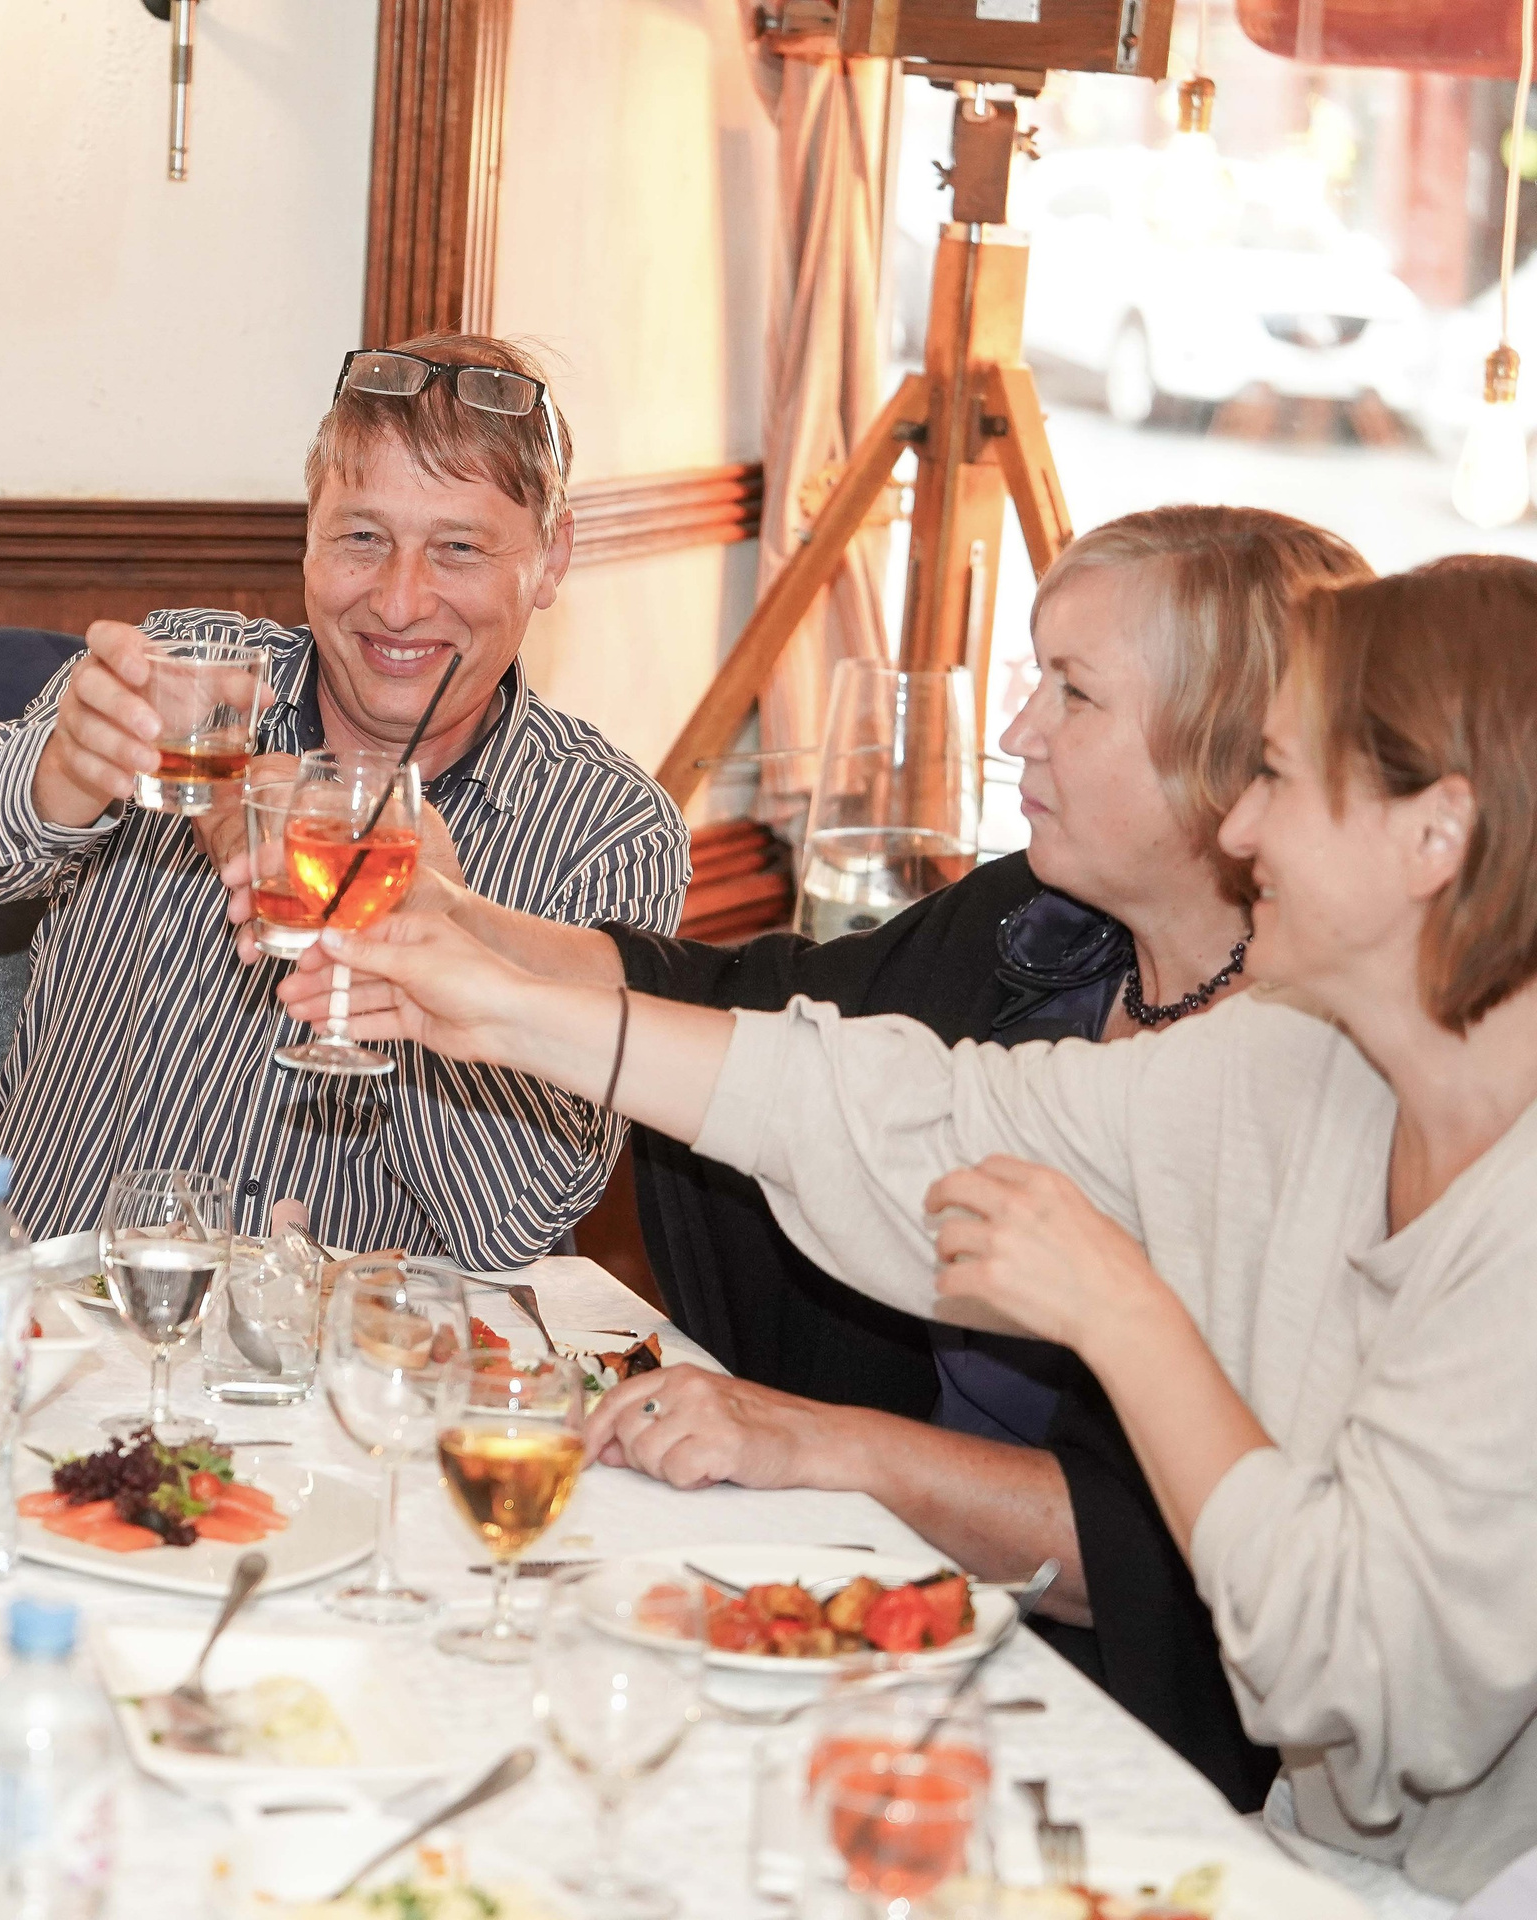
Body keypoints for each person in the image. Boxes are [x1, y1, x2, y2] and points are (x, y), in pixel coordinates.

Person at [318, 555, 1537, 1898]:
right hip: (1302, 1852)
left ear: (1438, 833)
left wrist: (1122, 1317)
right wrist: (501, 1009)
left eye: (1282, 781)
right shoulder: (1298, 1064)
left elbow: (1363, 1682)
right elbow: (916, 1121)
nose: (1240, 833)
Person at [0, 332, 689, 1264]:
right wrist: (65, 772)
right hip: (44, 1320)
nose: (399, 602)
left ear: (550, 560)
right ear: (307, 532)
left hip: (317, 1373)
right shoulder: (194, 677)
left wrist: (414, 930)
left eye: (459, 549)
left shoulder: (608, 831)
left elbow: (514, 1221)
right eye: (362, 537)